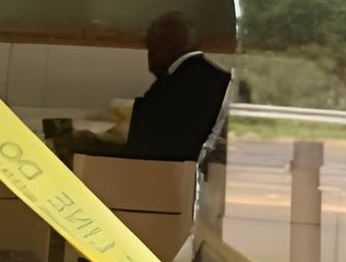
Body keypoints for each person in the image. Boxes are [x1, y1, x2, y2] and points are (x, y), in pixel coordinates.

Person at [70, 10, 230, 164]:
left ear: (162, 48)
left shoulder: (170, 90)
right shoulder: (221, 80)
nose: (149, 58)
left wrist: (89, 145)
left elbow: (144, 155)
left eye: (150, 48)